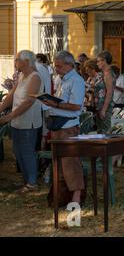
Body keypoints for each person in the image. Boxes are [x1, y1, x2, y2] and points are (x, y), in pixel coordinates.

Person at [41, 50, 86, 204]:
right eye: (55, 66)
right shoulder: (60, 79)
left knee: (70, 162)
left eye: (59, 66)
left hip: (68, 126)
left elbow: (75, 106)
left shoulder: (77, 81)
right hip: (57, 125)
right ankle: (60, 196)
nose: (56, 69)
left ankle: (76, 196)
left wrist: (55, 103)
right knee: (58, 162)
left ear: (69, 65)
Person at [0, 51, 43, 192]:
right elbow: (11, 95)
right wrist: (1, 109)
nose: (15, 62)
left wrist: (8, 116)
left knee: (26, 151)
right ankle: (27, 180)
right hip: (17, 120)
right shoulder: (21, 75)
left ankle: (32, 183)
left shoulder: (35, 77)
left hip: (28, 121)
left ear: (26, 61)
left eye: (17, 59)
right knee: (17, 151)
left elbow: (29, 102)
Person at [96, 51, 115, 134]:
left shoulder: (108, 73)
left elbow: (109, 92)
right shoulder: (103, 73)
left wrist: (104, 109)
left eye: (98, 61)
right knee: (100, 131)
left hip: (105, 107)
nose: (97, 64)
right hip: (100, 106)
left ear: (104, 61)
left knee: (105, 132)